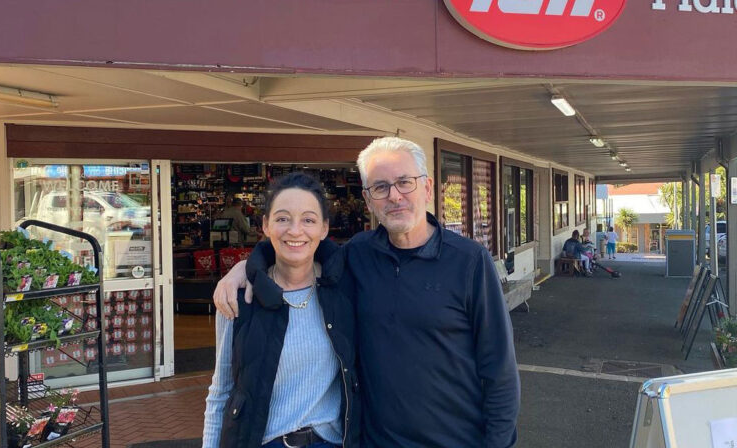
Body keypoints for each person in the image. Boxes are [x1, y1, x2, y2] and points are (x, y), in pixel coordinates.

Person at [215, 137, 520, 448]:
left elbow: (500, 371)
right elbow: (299, 247)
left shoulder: (469, 262)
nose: (395, 196)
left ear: (427, 188)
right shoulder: (357, 255)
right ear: (368, 199)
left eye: (405, 182)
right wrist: (246, 268)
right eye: (381, 187)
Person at [202, 173, 359, 448]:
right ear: (266, 225)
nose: (295, 230)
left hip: (329, 442)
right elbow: (221, 391)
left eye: (308, 220)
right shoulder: (239, 298)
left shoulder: (345, 289)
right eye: (283, 218)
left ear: (324, 229)